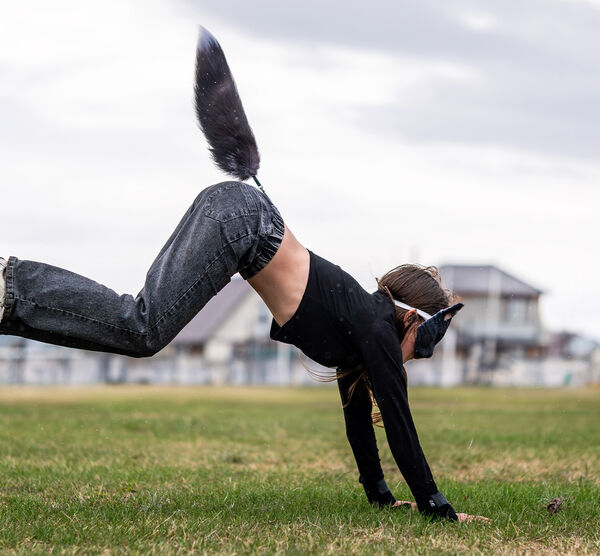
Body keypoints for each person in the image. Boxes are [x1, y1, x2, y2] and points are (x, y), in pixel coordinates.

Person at [0, 27, 489, 523]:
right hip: (241, 221)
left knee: (140, 329)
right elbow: (400, 423)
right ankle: (11, 286)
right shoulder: (375, 325)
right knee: (142, 328)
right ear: (411, 319)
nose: (417, 359)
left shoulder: (360, 332)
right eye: (424, 346)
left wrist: (380, 497)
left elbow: (359, 421)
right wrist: (437, 507)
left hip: (238, 217)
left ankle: (8, 303)